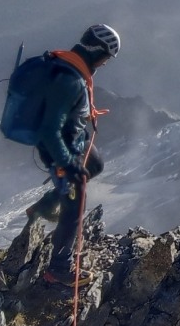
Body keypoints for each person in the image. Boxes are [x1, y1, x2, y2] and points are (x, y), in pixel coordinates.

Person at [26, 23, 121, 288]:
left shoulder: (69, 66)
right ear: (98, 51)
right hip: (59, 147)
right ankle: (59, 268)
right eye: (106, 58)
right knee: (75, 203)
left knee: (96, 164)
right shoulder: (71, 78)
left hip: (64, 140)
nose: (104, 64)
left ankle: (43, 206)